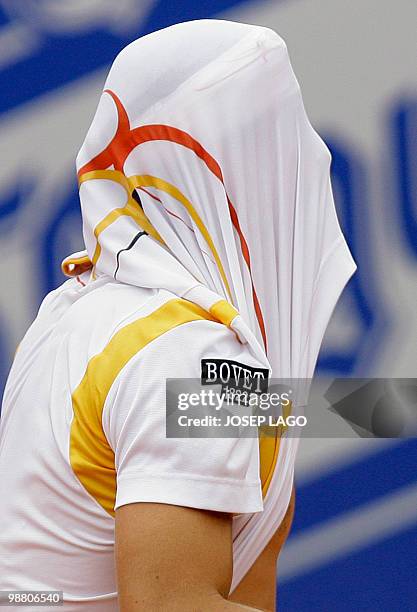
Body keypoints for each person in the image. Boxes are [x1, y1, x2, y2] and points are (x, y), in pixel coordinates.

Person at [0, 19, 356, 611]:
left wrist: (395, 404)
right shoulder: (193, 354)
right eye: (288, 130)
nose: (312, 154)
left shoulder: (78, 311)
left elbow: (263, 411)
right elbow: (172, 604)